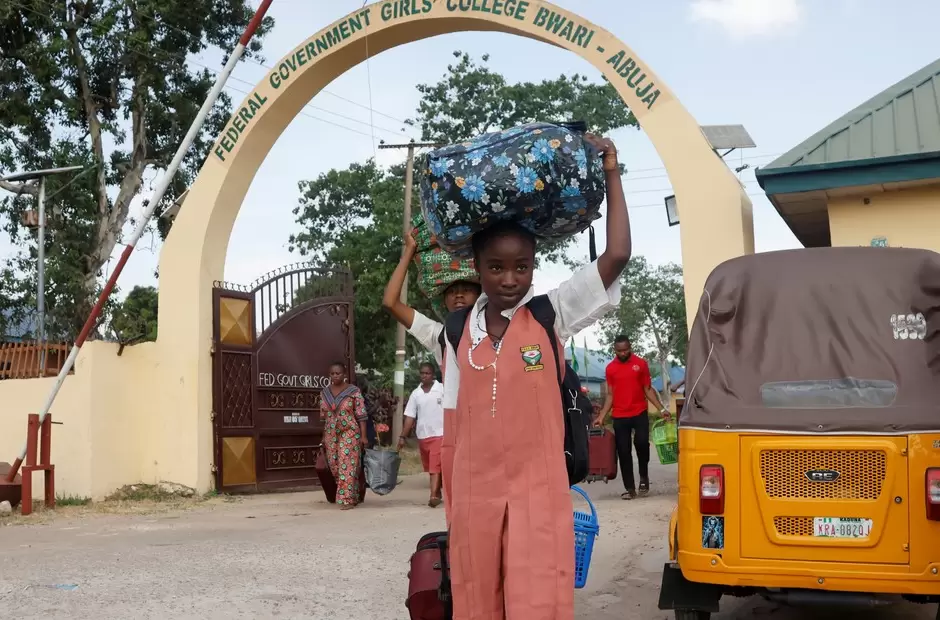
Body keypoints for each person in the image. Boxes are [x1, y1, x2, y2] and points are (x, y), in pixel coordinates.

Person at [443, 133, 631, 620]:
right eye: (497, 267)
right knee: (477, 596)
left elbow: (616, 257)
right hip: (475, 491)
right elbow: (454, 418)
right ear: (477, 269)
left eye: (521, 267)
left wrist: (611, 171)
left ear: (533, 266)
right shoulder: (460, 330)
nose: (510, 279)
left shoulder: (552, 314)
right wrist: (452, 496)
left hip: (537, 490)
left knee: (536, 599)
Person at [382, 232, 481, 521]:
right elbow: (391, 303)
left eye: (466, 289)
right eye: (451, 290)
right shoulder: (441, 337)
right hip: (459, 438)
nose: (459, 295)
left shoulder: (504, 330)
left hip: (495, 433)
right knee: (461, 513)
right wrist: (409, 253)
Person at [594, 335, 670, 500]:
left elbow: (648, 389)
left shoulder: (640, 364)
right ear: (615, 350)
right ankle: (630, 488)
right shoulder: (610, 368)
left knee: (642, 443)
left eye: (626, 350)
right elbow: (610, 395)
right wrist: (601, 416)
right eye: (619, 351)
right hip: (620, 416)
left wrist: (661, 408)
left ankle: (644, 477)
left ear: (630, 348)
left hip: (639, 412)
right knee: (623, 451)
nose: (623, 353)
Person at [319, 361, 369, 510]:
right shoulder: (324, 393)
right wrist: (323, 437)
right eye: (332, 374)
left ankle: (347, 499)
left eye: (338, 373)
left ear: (344, 374)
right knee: (334, 465)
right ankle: (353, 494)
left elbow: (361, 415)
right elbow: (323, 418)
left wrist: (363, 436)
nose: (335, 376)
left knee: (346, 463)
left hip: (349, 431)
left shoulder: (353, 392)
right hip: (330, 433)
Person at [398, 362, 446, 507]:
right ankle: (437, 492)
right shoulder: (416, 394)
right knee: (431, 467)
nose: (424, 376)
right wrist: (402, 437)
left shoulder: (442, 389)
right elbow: (410, 417)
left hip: (440, 434)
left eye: (428, 373)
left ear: (433, 375)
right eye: (422, 373)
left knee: (434, 467)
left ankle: (432, 496)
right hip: (423, 436)